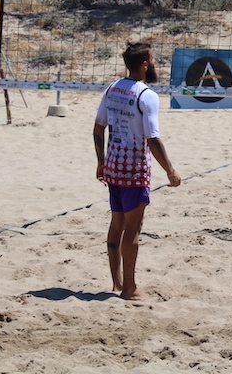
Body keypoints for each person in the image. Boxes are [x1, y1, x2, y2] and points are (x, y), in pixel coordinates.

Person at [93, 43, 181, 301]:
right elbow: (152, 139)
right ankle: (130, 289)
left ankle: (116, 282)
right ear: (144, 64)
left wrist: (101, 162)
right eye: (153, 60)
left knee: (116, 224)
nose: (154, 64)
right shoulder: (147, 95)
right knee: (132, 228)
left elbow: (98, 128)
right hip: (134, 168)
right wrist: (170, 171)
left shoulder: (112, 88)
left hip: (113, 165)